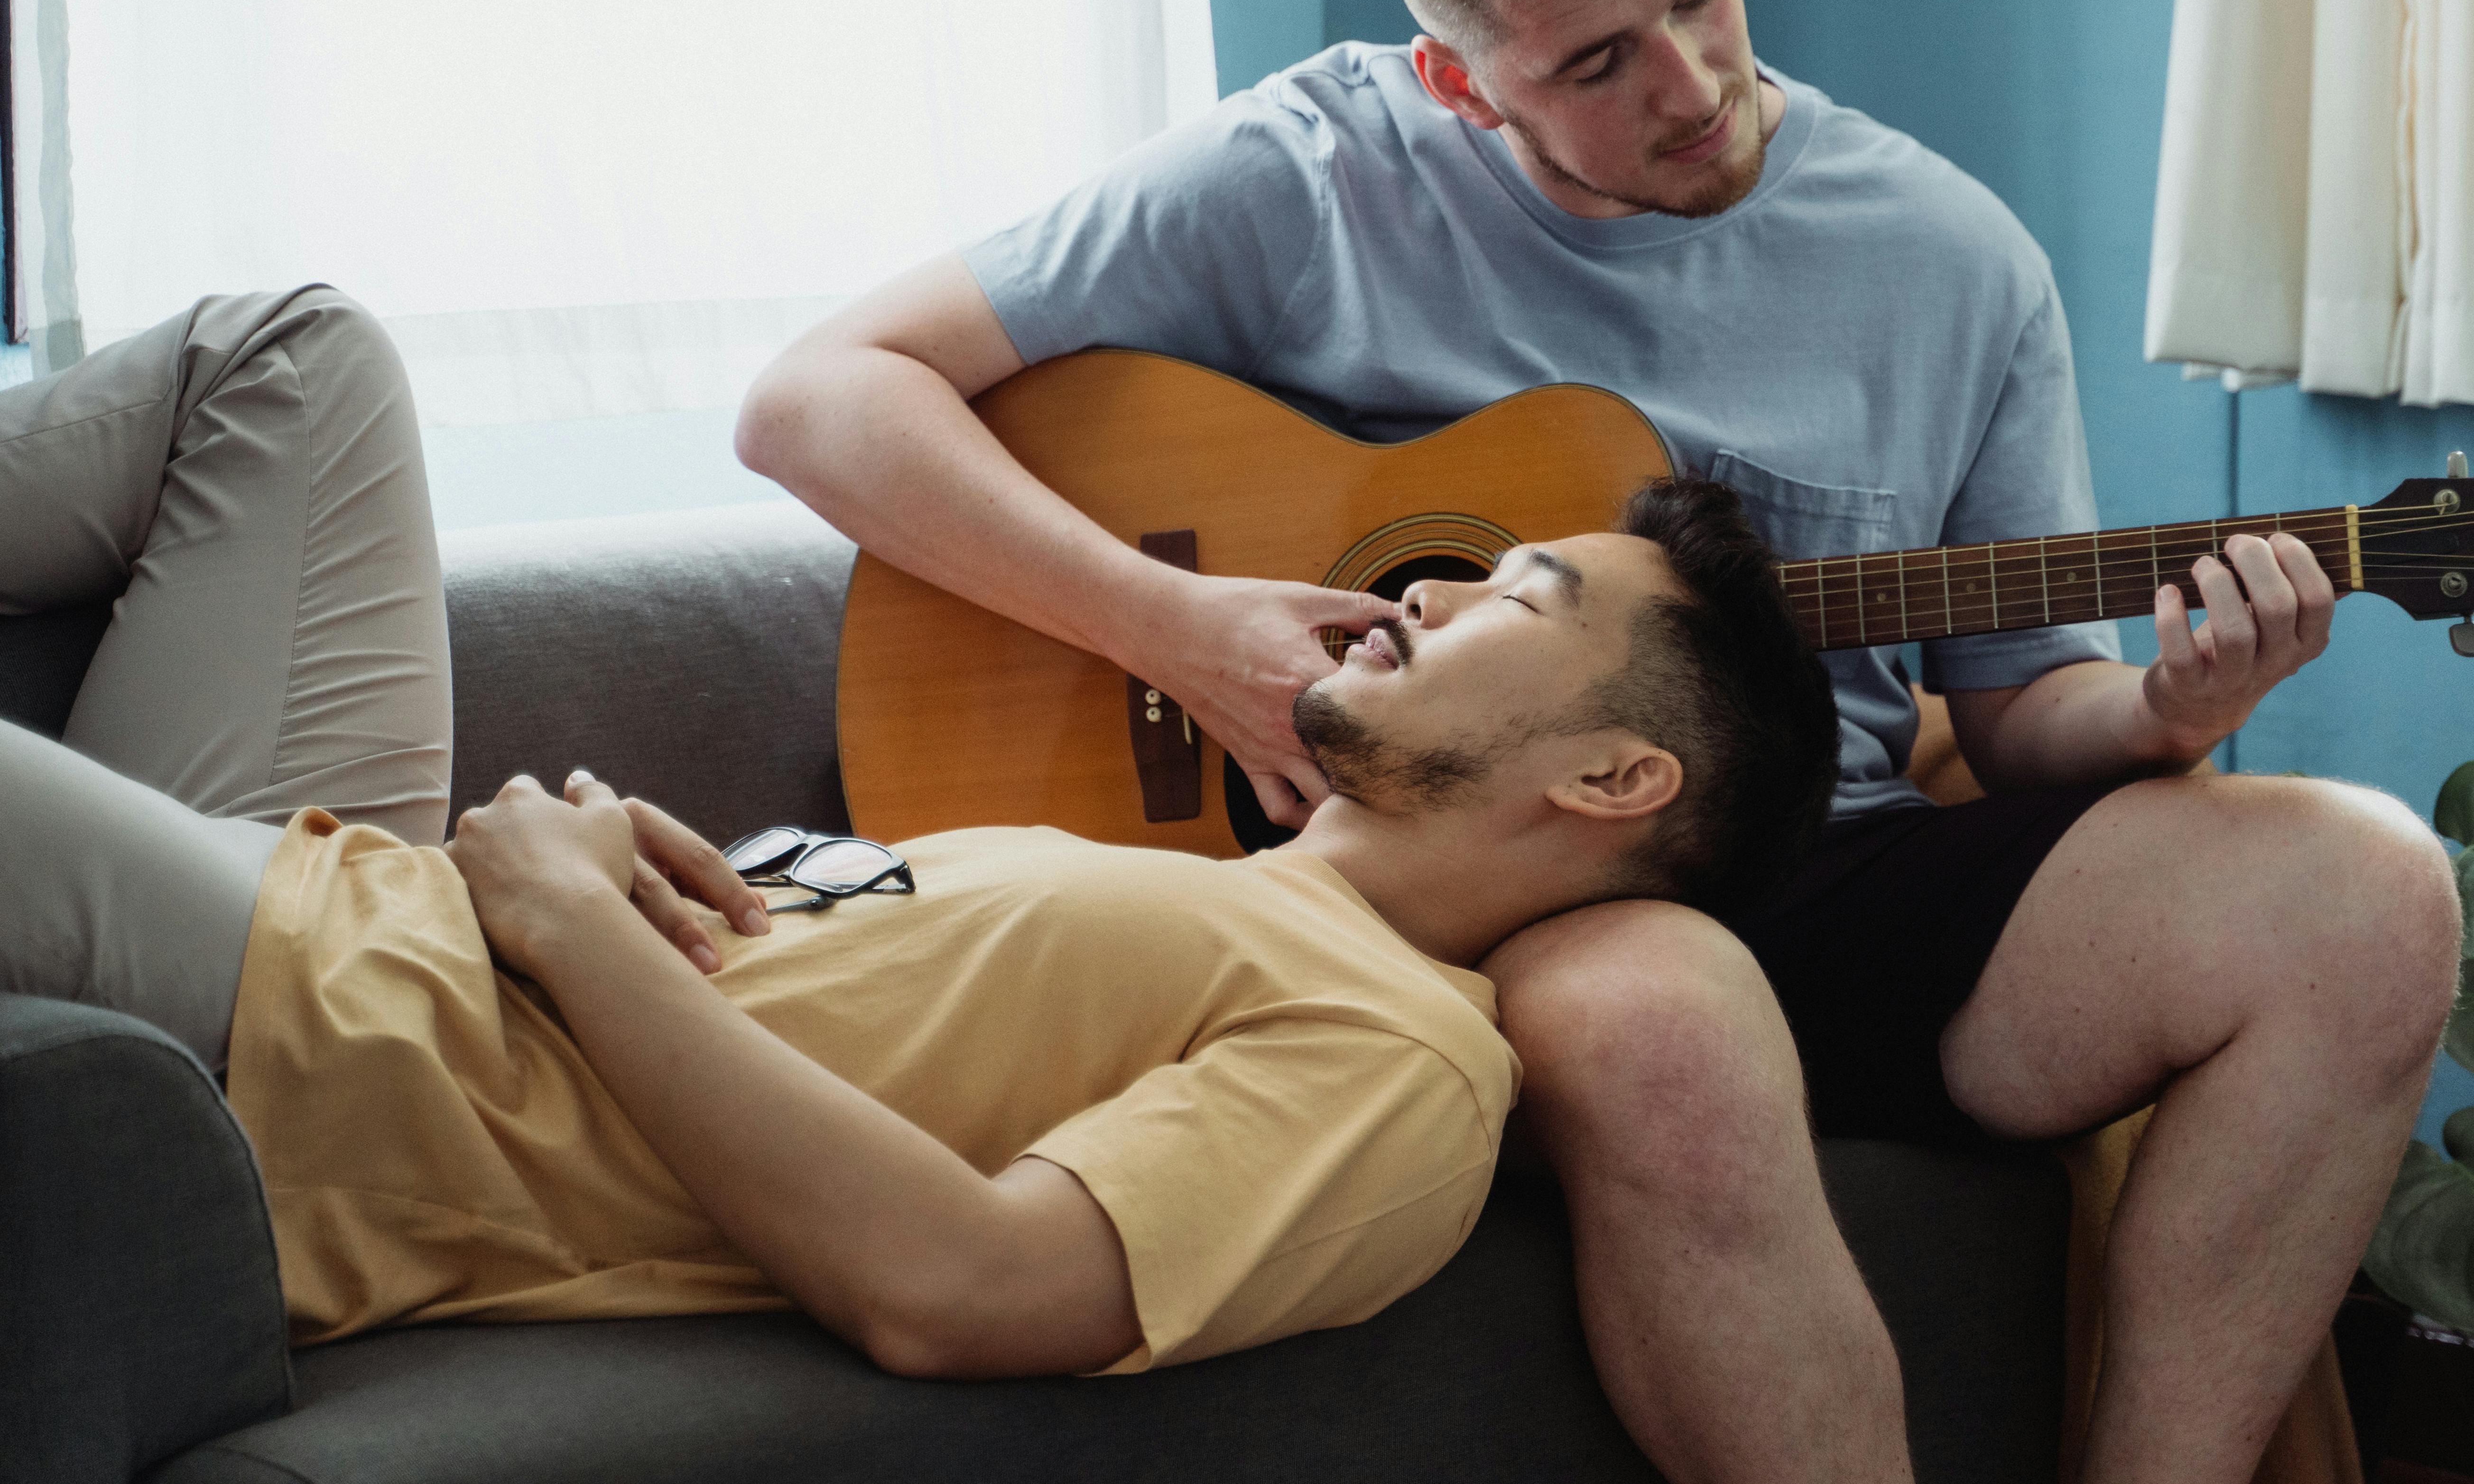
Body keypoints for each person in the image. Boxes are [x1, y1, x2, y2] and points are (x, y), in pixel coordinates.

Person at [738, 0, 2465, 1483]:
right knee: (1655, 1014)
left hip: (1825, 856)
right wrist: (1177, 632)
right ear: (1456, 79)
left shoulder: (1951, 261)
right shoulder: (1302, 180)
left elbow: (2026, 717)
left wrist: (2173, 710)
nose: (1691, 83)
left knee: (2370, 896)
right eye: (1592, 64)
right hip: (1487, 891)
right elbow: (817, 401)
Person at [0, 284, 1842, 1376]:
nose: (1431, 595)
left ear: (1612, 779)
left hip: (322, 1041)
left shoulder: (1402, 1062)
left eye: (1517, 594)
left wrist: (570, 925)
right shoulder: (1209, 891)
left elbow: (959, 1288)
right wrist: (596, 861)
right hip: (349, 889)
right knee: (291, 359)